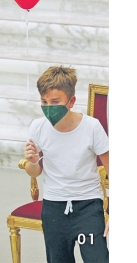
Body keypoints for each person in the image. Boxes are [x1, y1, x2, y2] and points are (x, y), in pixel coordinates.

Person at [23, 66, 109, 263]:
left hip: (88, 206)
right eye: (44, 102)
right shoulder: (38, 127)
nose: (48, 107)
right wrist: (33, 161)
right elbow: (33, 171)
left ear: (71, 101)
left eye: (55, 102)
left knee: (97, 258)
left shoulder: (91, 127)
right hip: (54, 207)